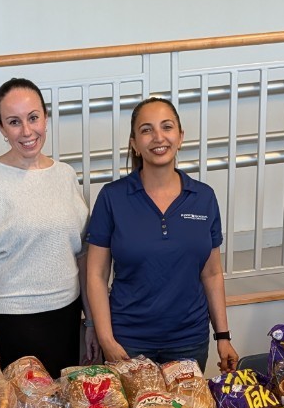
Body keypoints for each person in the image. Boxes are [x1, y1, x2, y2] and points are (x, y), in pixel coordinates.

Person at [85, 96, 239, 374]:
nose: (158, 137)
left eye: (167, 127)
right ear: (134, 143)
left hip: (188, 342)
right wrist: (106, 338)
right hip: (128, 341)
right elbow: (95, 275)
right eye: (146, 130)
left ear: (180, 137)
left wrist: (223, 337)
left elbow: (212, 273)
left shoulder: (203, 197)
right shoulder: (112, 197)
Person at [0, 77, 97, 376]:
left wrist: (90, 322)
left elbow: (82, 255)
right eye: (14, 122)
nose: (26, 131)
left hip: (67, 312)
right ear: (1, 128)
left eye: (33, 118)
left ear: (46, 118)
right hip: (15, 320)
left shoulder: (65, 175)